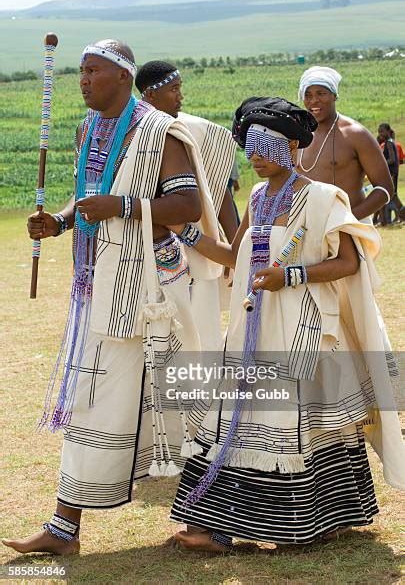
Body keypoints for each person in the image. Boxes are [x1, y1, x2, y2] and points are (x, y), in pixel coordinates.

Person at [2, 39, 221, 555]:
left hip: (152, 292)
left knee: (187, 404)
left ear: (123, 76)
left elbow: (186, 205)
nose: (83, 80)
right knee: (93, 402)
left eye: (93, 71)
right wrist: (59, 220)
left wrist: (120, 205)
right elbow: (89, 198)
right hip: (99, 285)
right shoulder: (87, 130)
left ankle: (206, 522)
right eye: (80, 71)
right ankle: (64, 528)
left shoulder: (159, 132)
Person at [166, 97, 405, 552]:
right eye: (249, 146)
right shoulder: (257, 197)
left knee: (300, 420)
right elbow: (234, 257)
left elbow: (350, 263)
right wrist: (188, 233)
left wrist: (290, 276)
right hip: (254, 326)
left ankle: (319, 520)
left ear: (292, 145)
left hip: (304, 328)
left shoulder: (322, 199)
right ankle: (219, 525)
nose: (254, 156)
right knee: (244, 419)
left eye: (264, 145)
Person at [135, 60, 239, 350]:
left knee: (201, 335)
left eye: (180, 89)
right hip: (142, 250)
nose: (180, 96)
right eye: (174, 90)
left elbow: (218, 191)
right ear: (150, 94)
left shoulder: (193, 129)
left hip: (194, 247)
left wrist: (233, 251)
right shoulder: (129, 133)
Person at [296, 66, 394, 222]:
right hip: (307, 230)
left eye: (321, 93)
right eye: (308, 95)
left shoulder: (355, 134)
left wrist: (345, 220)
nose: (314, 100)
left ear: (334, 95)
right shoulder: (297, 135)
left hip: (351, 228)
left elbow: (384, 189)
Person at [377, 124, 402, 224]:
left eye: (382, 131)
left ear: (388, 131)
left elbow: (392, 159)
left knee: (393, 195)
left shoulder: (389, 143)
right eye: (379, 132)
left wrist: (382, 164)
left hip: (392, 172)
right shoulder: (389, 142)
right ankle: (385, 220)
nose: (380, 134)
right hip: (392, 172)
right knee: (393, 196)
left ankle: (401, 216)